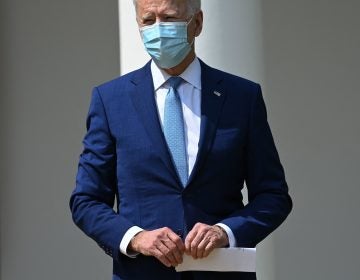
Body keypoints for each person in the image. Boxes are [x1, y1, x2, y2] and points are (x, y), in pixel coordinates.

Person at [70, 0, 292, 279]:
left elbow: (274, 196)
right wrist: (136, 238)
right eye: (148, 20)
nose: (158, 29)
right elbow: (86, 201)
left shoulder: (241, 98)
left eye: (170, 18)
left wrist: (225, 232)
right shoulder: (110, 100)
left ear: (197, 23)